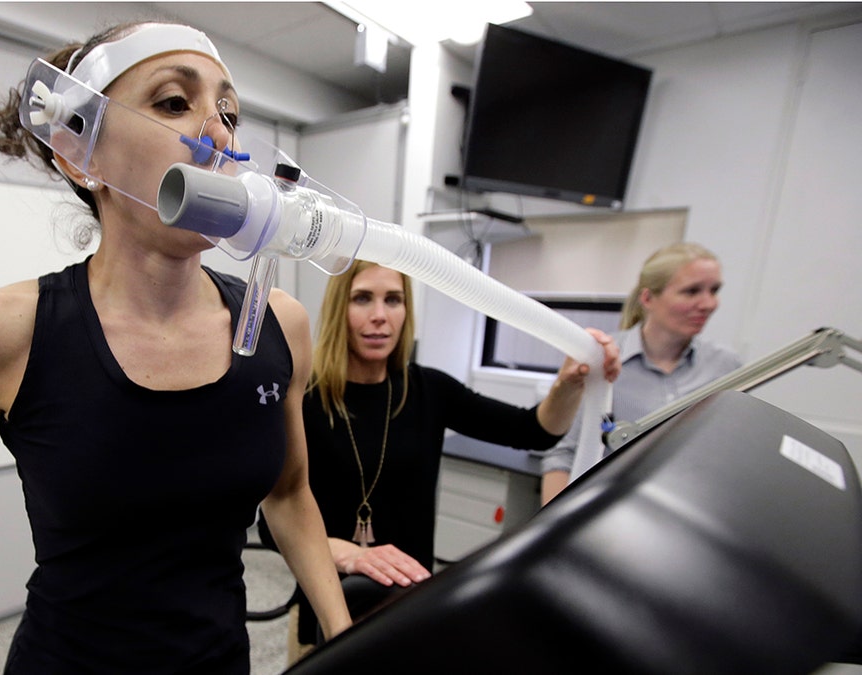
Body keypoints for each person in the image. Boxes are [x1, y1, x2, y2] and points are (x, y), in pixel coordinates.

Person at [0, 21, 351, 674]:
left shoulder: (278, 324)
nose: (218, 135)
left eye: (229, 112)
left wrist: (344, 630)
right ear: (81, 154)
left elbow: (290, 492)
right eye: (173, 101)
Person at [260, 260, 620, 660]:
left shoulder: (429, 390)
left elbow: (533, 430)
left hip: (409, 603)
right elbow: (271, 528)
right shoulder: (306, 400)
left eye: (393, 300)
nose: (380, 316)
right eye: (363, 298)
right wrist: (352, 554)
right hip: (325, 606)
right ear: (338, 309)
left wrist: (569, 383)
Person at [537, 242, 743, 505]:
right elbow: (563, 454)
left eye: (714, 290)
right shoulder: (600, 359)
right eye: (691, 291)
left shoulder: (726, 367)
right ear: (648, 299)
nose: (708, 303)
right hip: (610, 510)